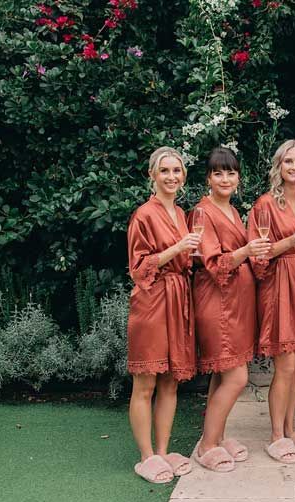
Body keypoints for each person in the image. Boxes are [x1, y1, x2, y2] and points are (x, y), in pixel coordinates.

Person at [189, 147, 272, 472]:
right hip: (217, 302)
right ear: (208, 178)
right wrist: (247, 251)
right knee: (237, 377)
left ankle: (218, 437)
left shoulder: (234, 211)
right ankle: (207, 445)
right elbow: (214, 264)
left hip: (237, 304)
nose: (225, 178)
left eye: (231, 172)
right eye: (218, 173)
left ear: (239, 177)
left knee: (222, 377)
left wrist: (256, 255)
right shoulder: (202, 212)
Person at [127, 146, 199, 483]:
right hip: (153, 300)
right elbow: (138, 267)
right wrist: (178, 249)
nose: (172, 176)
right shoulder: (144, 214)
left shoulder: (182, 213)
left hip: (179, 299)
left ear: (183, 176)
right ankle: (146, 456)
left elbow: (186, 260)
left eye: (177, 170)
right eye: (165, 170)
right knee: (146, 382)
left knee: (171, 380)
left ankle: (163, 450)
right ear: (152, 175)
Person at [247, 140, 295, 463]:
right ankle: (276, 435)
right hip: (279, 285)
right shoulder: (265, 204)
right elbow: (258, 255)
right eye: (288, 161)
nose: (294, 167)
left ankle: (292, 429)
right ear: (278, 166)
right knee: (285, 363)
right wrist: (288, 242)